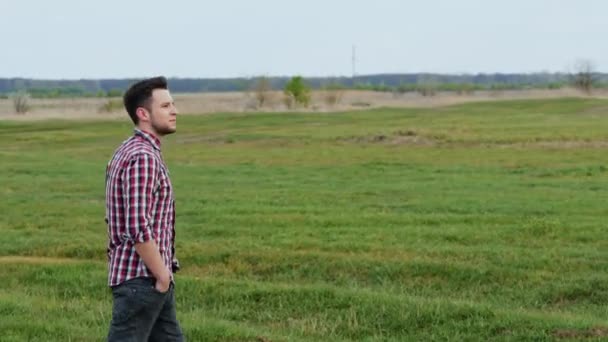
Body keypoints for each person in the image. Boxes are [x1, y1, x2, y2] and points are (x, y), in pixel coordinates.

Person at [105, 76, 184, 341]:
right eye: (165, 106)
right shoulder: (142, 157)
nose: (174, 111)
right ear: (143, 114)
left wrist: (164, 278)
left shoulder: (129, 150)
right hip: (143, 280)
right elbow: (138, 226)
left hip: (150, 281)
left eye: (173, 104)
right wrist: (162, 276)